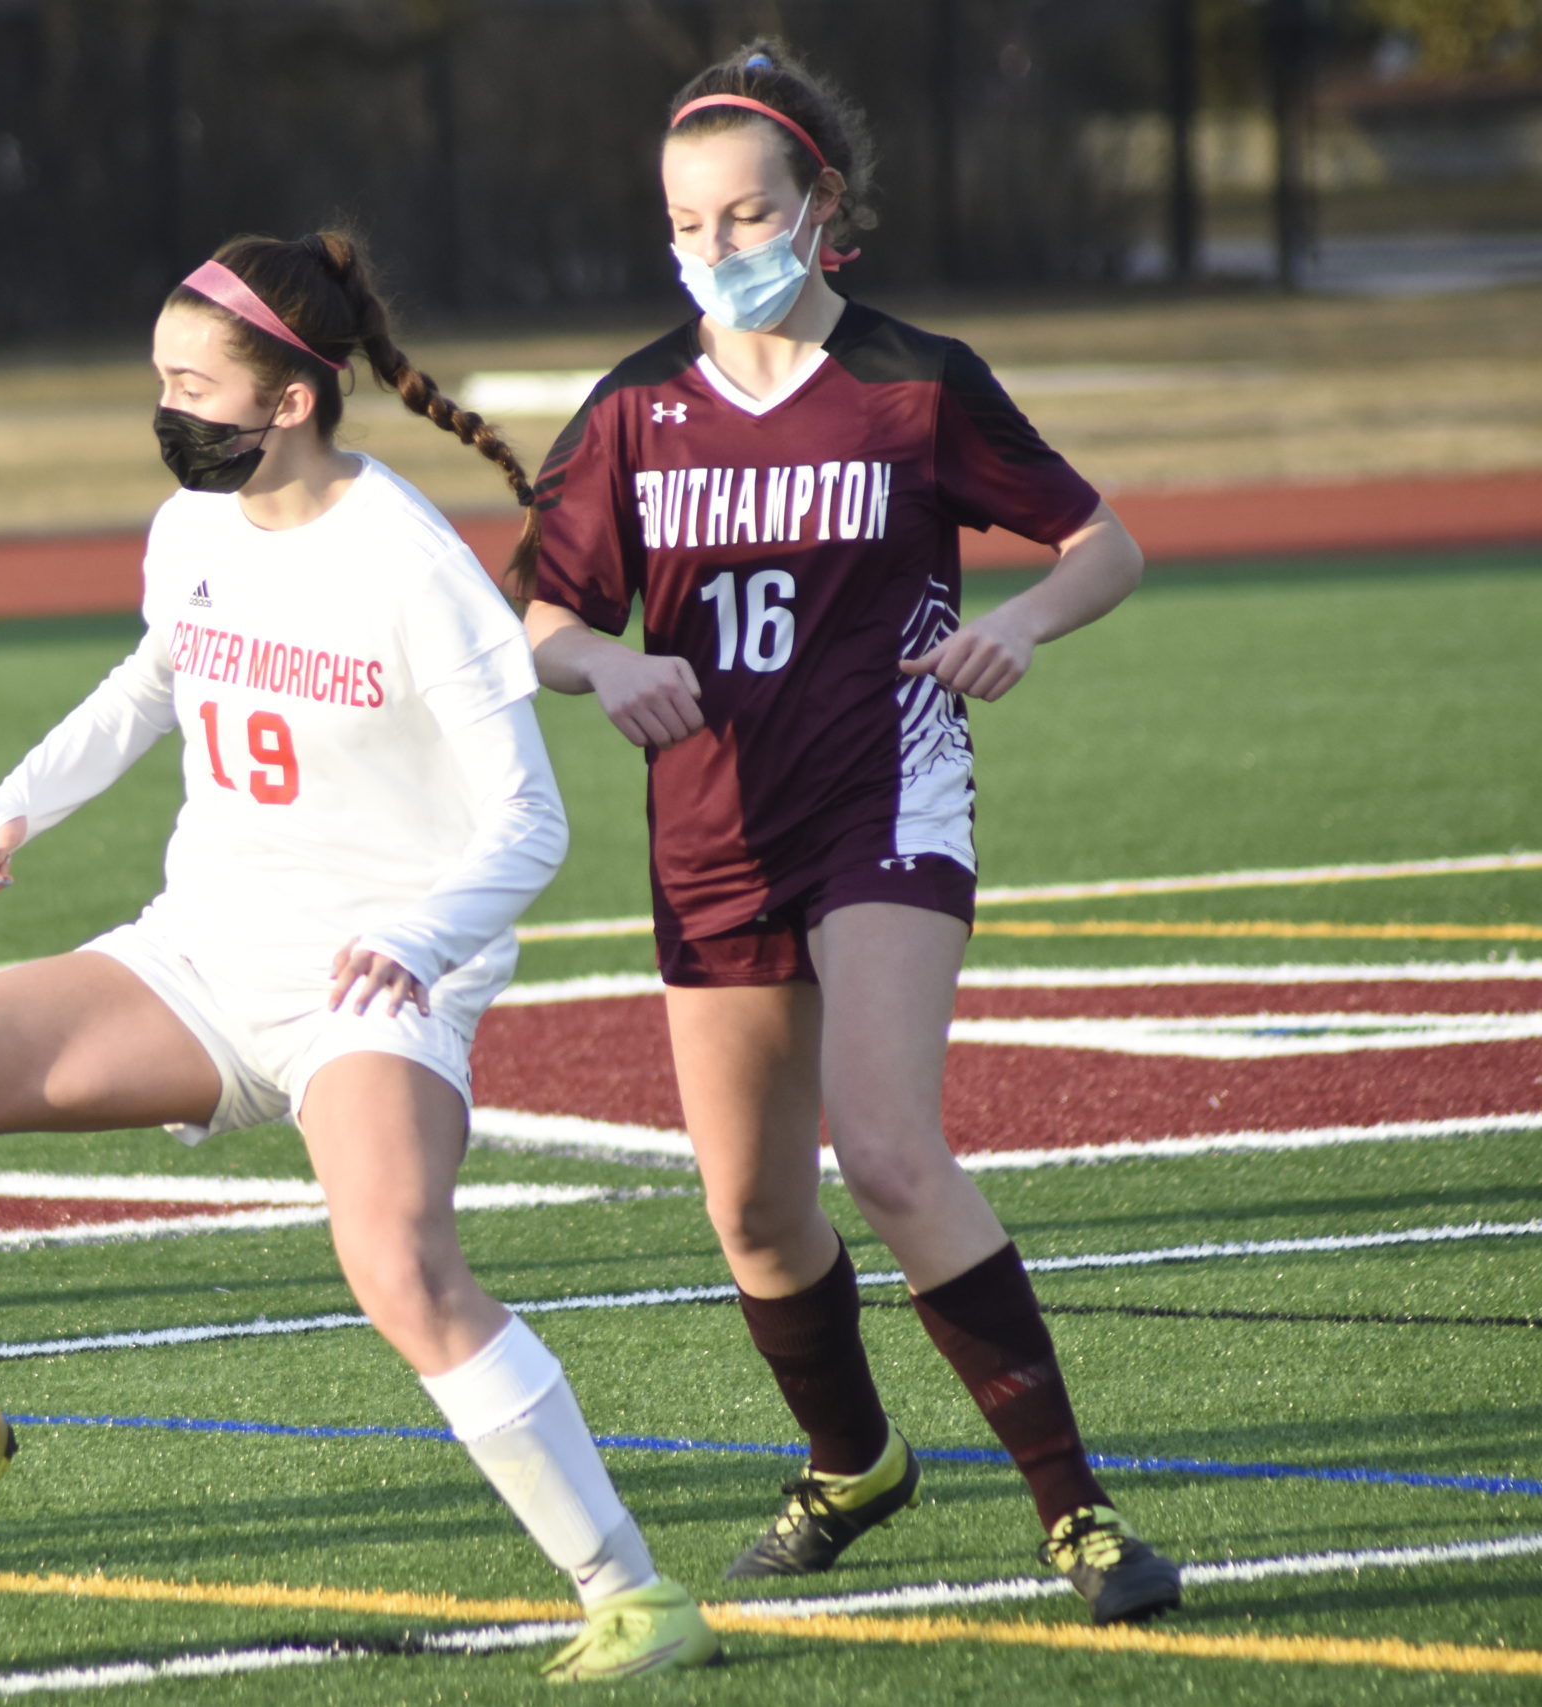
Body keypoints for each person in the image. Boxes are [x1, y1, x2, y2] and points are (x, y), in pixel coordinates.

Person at [0, 231, 717, 1680]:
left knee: (397, 1262)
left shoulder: (409, 560)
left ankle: (630, 1592)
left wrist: (416, 943)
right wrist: (12, 804)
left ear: (291, 399)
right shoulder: (193, 528)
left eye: (194, 380)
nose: (168, 404)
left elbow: (532, 826)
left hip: (371, 988)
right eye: (161, 377)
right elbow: (150, 681)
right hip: (196, 959)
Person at [517, 42, 1183, 1625]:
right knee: (751, 1210)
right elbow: (539, 617)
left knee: (884, 1146)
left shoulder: (911, 381)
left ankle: (1078, 1518)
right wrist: (606, 660)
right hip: (710, 824)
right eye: (689, 222)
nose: (718, 245)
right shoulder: (630, 411)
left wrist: (1019, 622)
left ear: (824, 208)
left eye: (750, 212)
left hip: (887, 792)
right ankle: (854, 1461)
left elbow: (1106, 541)